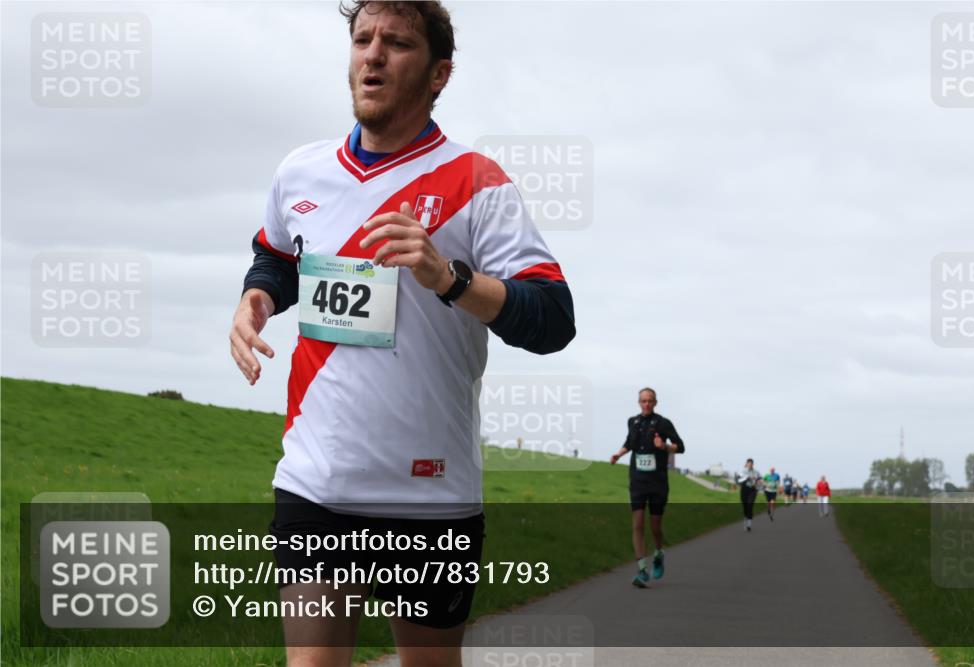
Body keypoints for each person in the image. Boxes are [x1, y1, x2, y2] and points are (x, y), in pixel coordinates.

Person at [229, 3, 576, 665]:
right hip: (316, 480)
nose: (373, 55)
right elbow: (277, 255)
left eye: (396, 43)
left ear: (440, 72)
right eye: (362, 39)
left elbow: (553, 318)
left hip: (429, 495)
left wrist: (447, 276)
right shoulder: (300, 173)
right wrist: (258, 297)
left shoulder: (478, 184)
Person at [609, 388, 685, 588]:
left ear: (656, 402)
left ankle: (659, 553)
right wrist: (619, 454)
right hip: (638, 480)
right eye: (643, 401)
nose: (646, 404)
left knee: (655, 528)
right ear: (638, 402)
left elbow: (681, 446)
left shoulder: (663, 423)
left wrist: (664, 447)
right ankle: (642, 569)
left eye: (650, 401)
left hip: (658, 481)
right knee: (637, 524)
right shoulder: (632, 422)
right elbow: (629, 443)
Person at [736, 458, 760, 531]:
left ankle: (749, 525)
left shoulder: (756, 472)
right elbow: (739, 480)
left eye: (751, 463)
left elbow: (759, 479)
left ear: (753, 464)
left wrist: (759, 482)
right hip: (744, 489)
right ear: (746, 464)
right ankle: (746, 517)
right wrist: (747, 477)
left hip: (752, 490)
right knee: (745, 506)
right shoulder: (742, 471)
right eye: (748, 463)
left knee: (750, 505)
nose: (750, 465)